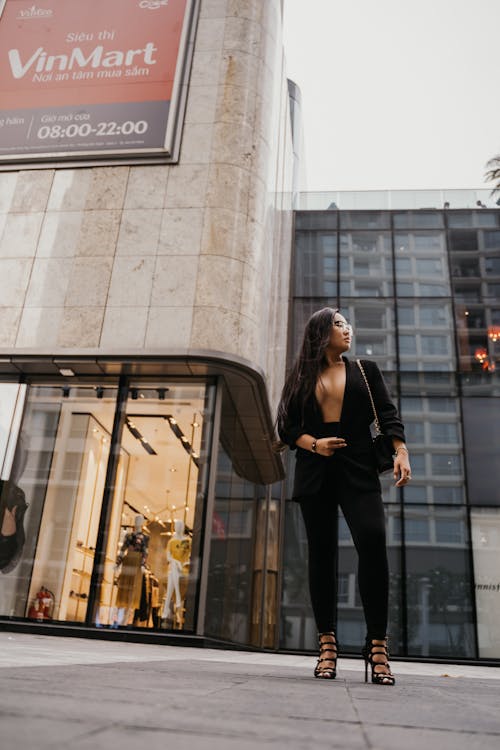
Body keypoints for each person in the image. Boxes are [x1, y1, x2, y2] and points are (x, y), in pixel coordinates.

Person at [276, 307, 411, 685]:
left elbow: (387, 414)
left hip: (358, 465)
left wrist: (401, 452)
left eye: (347, 323)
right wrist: (314, 444)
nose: (347, 329)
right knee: (321, 554)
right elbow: (286, 426)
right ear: (321, 332)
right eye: (338, 324)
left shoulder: (365, 371)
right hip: (316, 468)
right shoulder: (302, 375)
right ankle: (327, 645)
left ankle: (378, 645)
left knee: (372, 540)